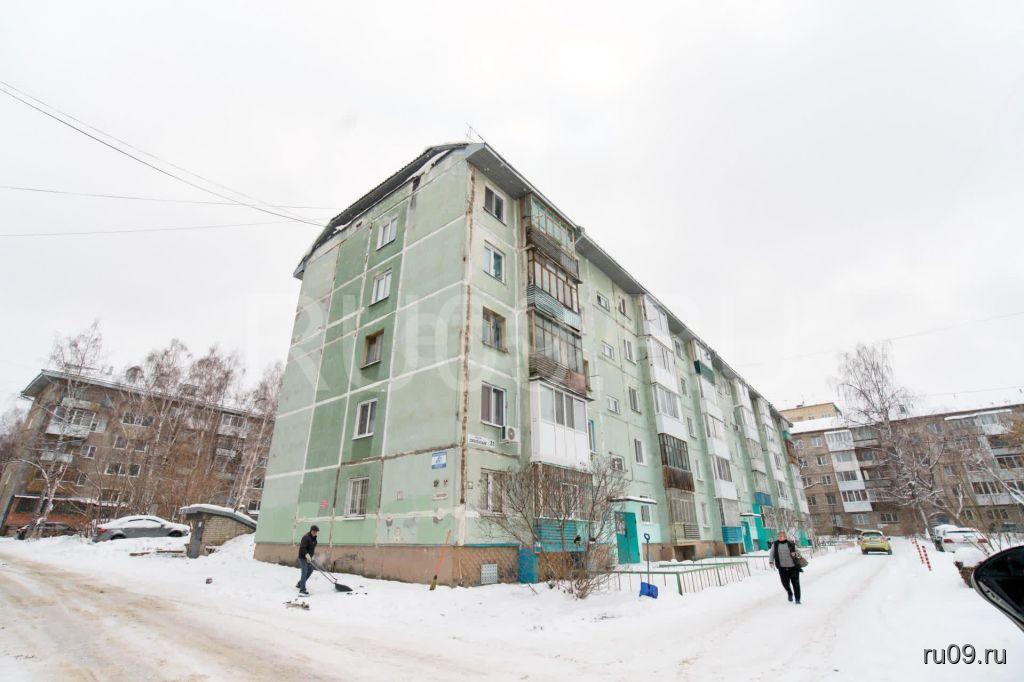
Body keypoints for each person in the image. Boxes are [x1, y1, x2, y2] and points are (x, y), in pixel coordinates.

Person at [768, 531, 803, 604]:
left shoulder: (791, 544)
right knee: (785, 583)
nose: (780, 537)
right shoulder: (775, 544)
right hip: (782, 568)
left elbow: (799, 553)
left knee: (796, 584)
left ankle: (797, 599)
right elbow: (772, 553)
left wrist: (795, 554)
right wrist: (771, 561)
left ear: (785, 537)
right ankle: (789, 592)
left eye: (781, 536)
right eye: (779, 536)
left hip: (793, 567)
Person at [296, 524, 318, 596]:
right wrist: (306, 555)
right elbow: (302, 548)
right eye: (314, 531)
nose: (315, 533)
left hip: (308, 558)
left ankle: (300, 584)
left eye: (316, 532)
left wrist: (311, 556)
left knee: (310, 570)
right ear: (311, 531)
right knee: (304, 572)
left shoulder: (314, 540)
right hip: (302, 557)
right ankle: (302, 590)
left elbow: (311, 550)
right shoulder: (306, 537)